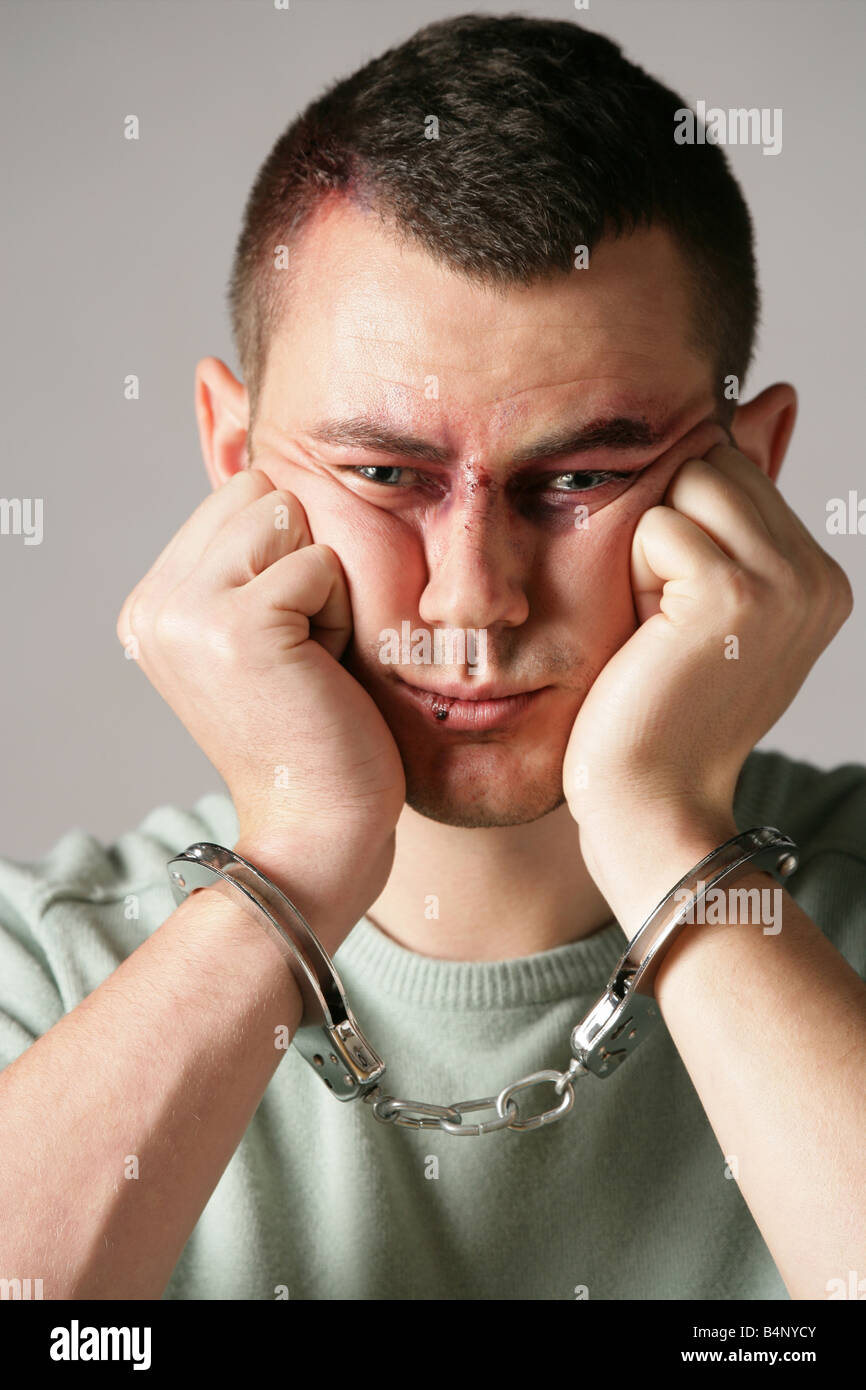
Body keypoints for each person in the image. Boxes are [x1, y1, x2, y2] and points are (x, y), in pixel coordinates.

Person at [0, 13, 864, 1303]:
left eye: (580, 475)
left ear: (753, 472)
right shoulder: (44, 971)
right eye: (386, 473)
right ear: (236, 460)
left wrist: (665, 833)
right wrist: (293, 858)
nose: (475, 598)